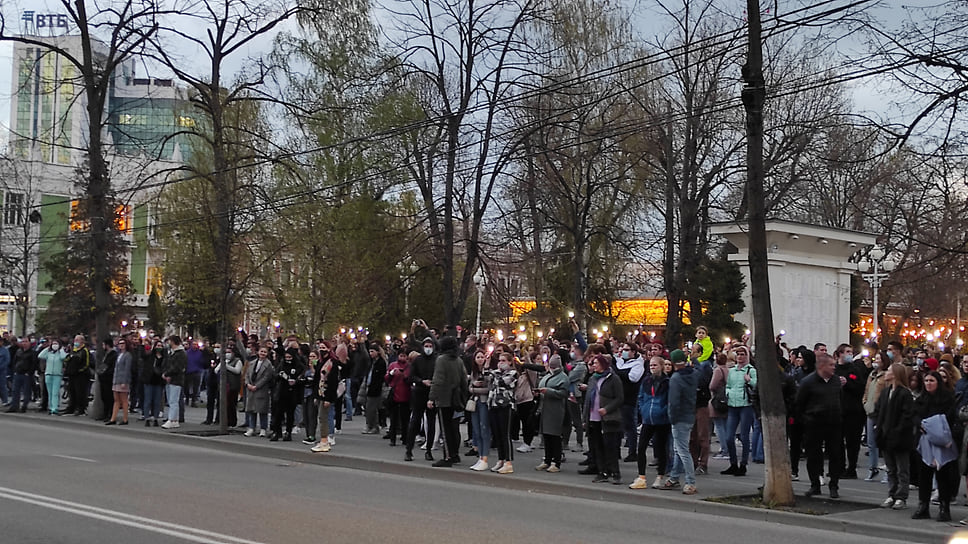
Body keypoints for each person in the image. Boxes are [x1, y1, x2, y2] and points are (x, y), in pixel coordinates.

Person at [911, 371, 961, 521]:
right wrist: (920, 424)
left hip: (941, 441)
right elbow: (914, 415)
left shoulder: (947, 399)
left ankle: (944, 507)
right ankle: (923, 506)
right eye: (926, 381)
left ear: (938, 382)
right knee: (924, 475)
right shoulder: (921, 399)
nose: (928, 384)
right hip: (924, 440)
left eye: (932, 380)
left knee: (943, 476)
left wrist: (934, 425)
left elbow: (950, 416)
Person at [796, 353, 844, 498]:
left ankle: (834, 484)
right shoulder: (808, 382)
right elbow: (799, 404)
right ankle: (815, 484)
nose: (834, 367)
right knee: (813, 455)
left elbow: (840, 398)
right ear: (822, 366)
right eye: (831, 365)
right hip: (814, 424)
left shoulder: (836, 381)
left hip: (834, 423)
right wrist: (805, 419)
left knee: (836, 454)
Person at [874, 362, 915, 510]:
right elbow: (879, 410)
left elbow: (906, 416)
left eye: (889, 371)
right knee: (891, 468)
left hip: (899, 437)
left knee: (902, 468)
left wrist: (897, 430)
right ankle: (891, 494)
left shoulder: (905, 393)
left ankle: (901, 496)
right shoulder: (886, 392)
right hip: (885, 435)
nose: (886, 372)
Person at [629, 356, 671, 490]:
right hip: (648, 418)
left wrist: (664, 411)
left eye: (655, 365)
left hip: (662, 420)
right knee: (641, 447)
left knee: (660, 448)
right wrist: (643, 409)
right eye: (651, 365)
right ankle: (642, 477)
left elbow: (670, 400)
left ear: (662, 366)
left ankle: (660, 476)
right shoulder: (646, 381)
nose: (652, 367)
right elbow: (641, 396)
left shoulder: (667, 382)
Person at [661, 349, 699, 495]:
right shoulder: (693, 374)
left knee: (682, 450)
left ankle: (690, 482)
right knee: (678, 448)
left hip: (679, 416)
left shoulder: (676, 378)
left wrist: (672, 417)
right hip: (690, 413)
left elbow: (674, 401)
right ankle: (674, 477)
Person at [427, 336, 468, 467]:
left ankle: (448, 456)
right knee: (454, 428)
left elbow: (438, 380)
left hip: (444, 398)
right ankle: (455, 454)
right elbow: (464, 380)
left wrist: (431, 397)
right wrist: (464, 396)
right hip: (456, 398)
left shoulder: (441, 360)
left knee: (445, 429)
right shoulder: (458, 360)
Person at [584, 354, 624, 485]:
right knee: (597, 446)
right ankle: (602, 472)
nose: (593, 366)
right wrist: (585, 418)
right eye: (592, 363)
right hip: (593, 418)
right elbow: (588, 399)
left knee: (609, 446)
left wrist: (607, 408)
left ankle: (615, 472)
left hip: (607, 418)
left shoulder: (613, 379)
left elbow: (619, 398)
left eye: (595, 363)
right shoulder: (593, 379)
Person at [834, 343, 869, 480]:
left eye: (851, 352)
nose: (849, 354)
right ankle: (839, 467)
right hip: (838, 409)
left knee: (852, 442)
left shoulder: (855, 369)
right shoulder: (835, 369)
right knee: (837, 441)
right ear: (839, 354)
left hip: (853, 411)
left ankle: (851, 468)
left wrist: (848, 383)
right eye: (847, 352)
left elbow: (861, 387)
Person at [721, 345, 756, 476]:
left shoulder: (751, 370)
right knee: (729, 437)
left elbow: (756, 385)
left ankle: (743, 464)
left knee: (744, 435)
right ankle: (733, 463)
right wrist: (728, 393)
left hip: (745, 405)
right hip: (732, 405)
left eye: (743, 354)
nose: (740, 357)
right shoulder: (732, 370)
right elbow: (728, 385)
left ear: (747, 356)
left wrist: (750, 381)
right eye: (738, 354)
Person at [405, 336, 438, 462]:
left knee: (431, 424)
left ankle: (429, 450)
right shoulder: (418, 360)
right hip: (419, 393)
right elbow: (411, 376)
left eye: (430, 346)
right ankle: (409, 450)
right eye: (426, 346)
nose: (428, 348)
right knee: (415, 422)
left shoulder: (436, 360)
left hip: (431, 394)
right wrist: (421, 381)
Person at [536, 355, 569, 473]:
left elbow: (563, 393)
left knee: (555, 437)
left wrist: (549, 391)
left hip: (555, 410)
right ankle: (547, 460)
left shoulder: (563, 377)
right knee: (547, 436)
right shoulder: (548, 375)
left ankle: (556, 461)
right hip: (545, 409)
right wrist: (538, 393)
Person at [614, 343, 645, 462]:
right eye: (622, 350)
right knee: (617, 426)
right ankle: (616, 451)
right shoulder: (620, 361)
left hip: (629, 399)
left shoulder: (638, 364)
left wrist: (618, 372)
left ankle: (632, 452)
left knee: (629, 426)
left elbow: (633, 378)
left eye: (627, 350)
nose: (623, 352)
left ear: (633, 352)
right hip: (618, 398)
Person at [488, 352, 518, 474]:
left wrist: (494, 375)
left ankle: (508, 461)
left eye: (504, 361)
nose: (500, 363)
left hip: (506, 405)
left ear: (510, 362)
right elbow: (486, 378)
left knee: (505, 434)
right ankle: (500, 459)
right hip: (494, 404)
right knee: (497, 434)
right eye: (499, 360)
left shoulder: (513, 373)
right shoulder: (495, 372)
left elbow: (502, 382)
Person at [269, 348, 308, 442]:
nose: (288, 359)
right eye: (286, 357)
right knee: (278, 413)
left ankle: (288, 432)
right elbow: (275, 375)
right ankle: (277, 432)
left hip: (293, 393)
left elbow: (303, 376)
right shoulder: (282, 364)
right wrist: (280, 375)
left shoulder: (299, 366)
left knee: (290, 414)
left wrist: (296, 381)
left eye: (290, 357)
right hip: (282, 392)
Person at [863, 351, 889, 481]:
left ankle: (887, 471)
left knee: (882, 443)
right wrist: (865, 402)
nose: (876, 361)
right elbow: (867, 390)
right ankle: (872, 468)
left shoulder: (886, 376)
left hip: (881, 413)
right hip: (870, 411)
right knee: (871, 443)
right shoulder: (872, 375)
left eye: (879, 359)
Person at [311, 344, 341, 453]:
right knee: (321, 417)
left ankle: (324, 441)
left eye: (324, 348)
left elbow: (333, 382)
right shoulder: (320, 361)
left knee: (323, 417)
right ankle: (323, 440)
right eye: (320, 348)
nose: (322, 350)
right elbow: (317, 379)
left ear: (329, 349)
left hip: (326, 393)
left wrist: (328, 398)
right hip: (319, 392)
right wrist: (315, 395)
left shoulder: (332, 363)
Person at [467, 350, 492, 471]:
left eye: (482, 357)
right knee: (476, 430)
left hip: (484, 402)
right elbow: (470, 387)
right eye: (478, 357)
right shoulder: (474, 372)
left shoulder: (489, 371)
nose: (480, 359)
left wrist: (475, 389)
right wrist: (473, 387)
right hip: (475, 402)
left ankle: (485, 457)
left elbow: (489, 389)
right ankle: (480, 457)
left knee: (484, 430)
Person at [244, 347, 274, 437]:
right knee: (251, 410)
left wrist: (257, 386)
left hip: (261, 389)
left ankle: (263, 429)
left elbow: (266, 377)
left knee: (262, 410)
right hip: (251, 389)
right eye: (261, 351)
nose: (263, 353)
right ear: (258, 352)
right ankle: (251, 428)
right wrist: (248, 384)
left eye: (265, 352)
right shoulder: (252, 363)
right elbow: (247, 374)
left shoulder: (268, 364)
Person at [385, 351, 412, 447]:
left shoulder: (409, 367)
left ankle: (405, 438)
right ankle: (392, 438)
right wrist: (391, 373)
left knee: (405, 419)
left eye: (404, 356)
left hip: (406, 395)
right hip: (395, 394)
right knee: (393, 418)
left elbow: (411, 380)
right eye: (401, 355)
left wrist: (405, 377)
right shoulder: (393, 365)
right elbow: (387, 378)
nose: (402, 358)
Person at [105, 337, 132, 425]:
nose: (121, 345)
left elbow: (127, 369)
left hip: (123, 381)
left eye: (123, 344)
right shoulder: (118, 355)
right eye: (120, 344)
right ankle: (113, 418)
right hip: (116, 380)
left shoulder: (128, 355)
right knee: (116, 400)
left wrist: (124, 381)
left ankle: (125, 419)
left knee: (124, 400)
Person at [162, 336, 187, 429]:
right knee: (170, 400)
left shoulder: (181, 353)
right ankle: (174, 420)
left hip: (176, 380)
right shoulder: (172, 353)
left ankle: (172, 419)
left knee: (173, 400)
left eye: (170, 341)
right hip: (170, 379)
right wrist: (165, 373)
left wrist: (168, 374)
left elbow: (177, 367)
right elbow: (168, 364)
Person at [362, 343, 387, 435]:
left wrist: (377, 387)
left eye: (372, 351)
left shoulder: (381, 363)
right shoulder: (371, 362)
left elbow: (381, 378)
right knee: (368, 408)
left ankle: (373, 426)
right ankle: (371, 425)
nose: (370, 353)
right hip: (369, 385)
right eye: (369, 351)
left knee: (372, 408)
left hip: (376, 388)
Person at [8, 338, 38, 413]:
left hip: (26, 374)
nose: (24, 343)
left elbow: (34, 364)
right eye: (23, 342)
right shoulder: (19, 351)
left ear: (29, 343)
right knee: (15, 391)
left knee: (26, 391)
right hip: (18, 373)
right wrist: (14, 370)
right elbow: (15, 361)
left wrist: (29, 373)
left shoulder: (32, 352)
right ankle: (14, 406)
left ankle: (24, 406)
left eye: (26, 342)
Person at [64, 335, 91, 416]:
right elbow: (66, 360)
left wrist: (79, 371)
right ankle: (71, 407)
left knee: (80, 393)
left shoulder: (84, 350)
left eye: (77, 340)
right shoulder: (73, 350)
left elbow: (86, 364)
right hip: (72, 375)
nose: (75, 342)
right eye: (75, 340)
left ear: (82, 341)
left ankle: (80, 408)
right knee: (72, 392)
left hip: (80, 375)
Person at [39, 340, 68, 415]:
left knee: (55, 392)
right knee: (50, 392)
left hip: (57, 375)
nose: (55, 345)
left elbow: (63, 357)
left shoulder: (60, 353)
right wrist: (48, 347)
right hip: (48, 374)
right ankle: (51, 407)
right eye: (53, 344)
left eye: (56, 344)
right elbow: (40, 355)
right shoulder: (49, 353)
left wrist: (61, 350)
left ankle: (55, 408)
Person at [95, 338, 118, 421]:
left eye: (104, 345)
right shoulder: (106, 354)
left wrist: (105, 372)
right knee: (104, 397)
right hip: (103, 379)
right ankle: (105, 414)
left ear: (107, 345)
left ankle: (110, 414)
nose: (103, 346)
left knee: (109, 398)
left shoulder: (114, 355)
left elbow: (111, 368)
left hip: (109, 380)